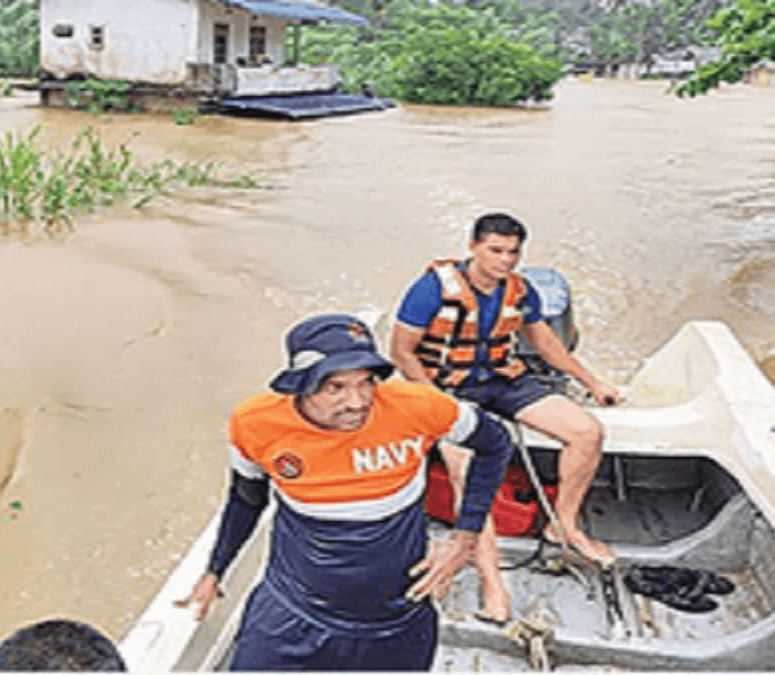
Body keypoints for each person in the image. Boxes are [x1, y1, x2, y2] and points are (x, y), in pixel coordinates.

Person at [178, 313, 515, 671]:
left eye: (366, 382)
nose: (357, 402)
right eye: (334, 387)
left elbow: (495, 443)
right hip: (295, 611)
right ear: (301, 385)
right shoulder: (255, 424)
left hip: (395, 617)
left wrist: (465, 538)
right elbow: (246, 499)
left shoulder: (418, 407)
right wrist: (216, 570)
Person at [390, 211, 620, 624]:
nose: (505, 261)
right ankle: (493, 584)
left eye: (513, 252)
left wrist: (593, 381)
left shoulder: (520, 290)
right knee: (468, 471)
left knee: (587, 432)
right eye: (495, 251)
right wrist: (437, 402)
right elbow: (402, 352)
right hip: (450, 388)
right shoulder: (430, 290)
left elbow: (547, 345)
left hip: (501, 380)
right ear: (474, 247)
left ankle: (563, 526)